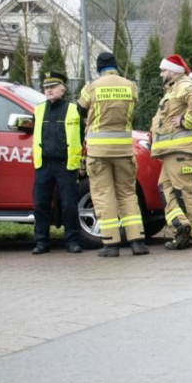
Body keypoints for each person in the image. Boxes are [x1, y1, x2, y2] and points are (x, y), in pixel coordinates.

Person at [78, 52, 150, 257]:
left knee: (104, 195)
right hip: (124, 150)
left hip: (98, 152)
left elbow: (80, 109)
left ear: (98, 67)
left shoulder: (92, 87)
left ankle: (111, 244)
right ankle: (137, 242)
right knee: (127, 194)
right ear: (115, 66)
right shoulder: (131, 86)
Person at [150, 54, 192, 251]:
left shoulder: (184, 85)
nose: (161, 74)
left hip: (182, 150)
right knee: (165, 189)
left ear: (174, 72)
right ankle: (181, 225)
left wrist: (185, 122)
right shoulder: (172, 90)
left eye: (163, 70)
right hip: (172, 151)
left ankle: (189, 237)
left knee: (183, 193)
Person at [31, 71, 84, 254]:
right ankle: (42, 242)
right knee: (40, 204)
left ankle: (72, 241)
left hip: (65, 164)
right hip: (44, 164)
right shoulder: (38, 109)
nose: (49, 90)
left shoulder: (73, 109)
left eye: (53, 87)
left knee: (69, 204)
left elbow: (81, 134)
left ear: (63, 89)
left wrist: (79, 161)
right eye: (46, 88)